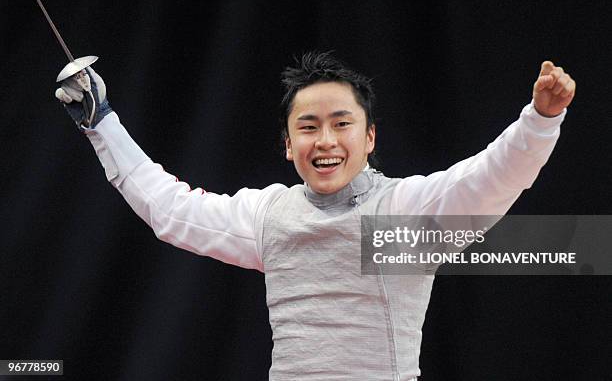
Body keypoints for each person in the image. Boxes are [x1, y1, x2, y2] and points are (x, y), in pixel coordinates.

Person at [55, 52, 575, 380]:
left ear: (369, 138)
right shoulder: (270, 214)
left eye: (341, 124)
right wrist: (103, 125)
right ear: (288, 144)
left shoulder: (401, 214)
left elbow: (490, 178)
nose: (325, 141)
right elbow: (170, 209)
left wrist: (540, 121)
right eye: (308, 127)